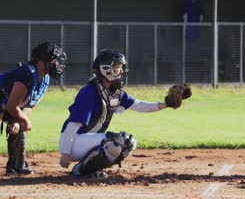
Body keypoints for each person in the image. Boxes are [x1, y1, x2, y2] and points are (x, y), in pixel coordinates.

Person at [59, 49, 191, 177]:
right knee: (115, 142)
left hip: (85, 141)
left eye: (121, 67)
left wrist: (166, 104)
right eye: (117, 67)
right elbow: (73, 125)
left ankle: (87, 168)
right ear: (105, 68)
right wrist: (65, 153)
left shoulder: (114, 92)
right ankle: (81, 171)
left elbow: (139, 105)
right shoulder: (89, 92)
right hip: (73, 142)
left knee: (129, 143)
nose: (121, 71)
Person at [0, 40, 67, 175]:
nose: (57, 64)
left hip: (4, 104)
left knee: (19, 125)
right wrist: (22, 119)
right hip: (4, 103)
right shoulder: (27, 74)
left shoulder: (44, 79)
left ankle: (16, 166)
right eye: (54, 60)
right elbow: (12, 106)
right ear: (42, 61)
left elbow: (30, 104)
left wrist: (19, 120)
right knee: (21, 121)